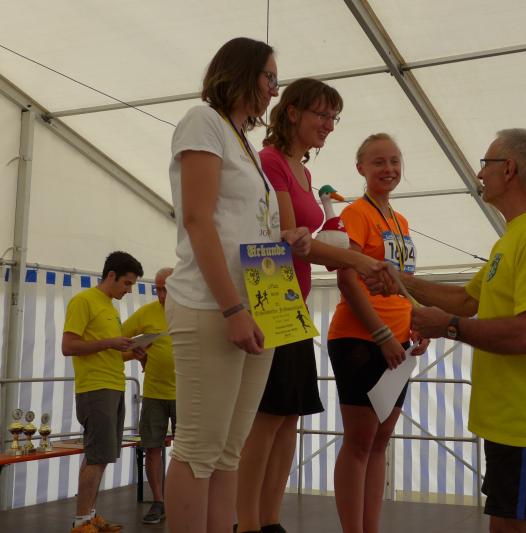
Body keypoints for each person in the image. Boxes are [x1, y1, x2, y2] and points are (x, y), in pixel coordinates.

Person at [379, 129, 526, 533]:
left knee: (524, 526)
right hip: (506, 419)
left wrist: (448, 327)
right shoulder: (515, 236)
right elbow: (467, 300)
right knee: (504, 525)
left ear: (509, 169)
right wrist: (400, 280)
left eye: (486, 164)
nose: (479, 174)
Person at [163, 37, 311, 533]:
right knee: (199, 449)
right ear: (242, 72)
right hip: (212, 306)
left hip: (256, 305)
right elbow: (198, 220)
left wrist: (282, 237)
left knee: (228, 451)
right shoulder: (203, 121)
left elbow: (237, 223)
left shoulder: (243, 141)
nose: (274, 89)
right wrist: (232, 310)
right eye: (270, 77)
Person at [236, 78, 390, 533]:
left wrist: (337, 248)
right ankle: (247, 522)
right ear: (292, 113)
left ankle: (270, 519)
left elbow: (305, 241)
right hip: (270, 300)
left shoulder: (301, 172)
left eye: (333, 117)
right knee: (267, 418)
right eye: (322, 115)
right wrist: (356, 258)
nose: (329, 125)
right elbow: (290, 240)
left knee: (289, 418)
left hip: (293, 305)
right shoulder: (271, 161)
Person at [326, 133, 429, 533]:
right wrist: (382, 333)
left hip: (399, 341)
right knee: (360, 441)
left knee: (381, 441)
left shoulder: (400, 221)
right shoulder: (355, 213)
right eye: (378, 162)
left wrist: (417, 320)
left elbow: (402, 282)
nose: (389, 169)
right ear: (361, 168)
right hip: (361, 337)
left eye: (394, 161)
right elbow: (347, 279)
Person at [62, 251, 144, 533]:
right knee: (97, 456)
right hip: (96, 388)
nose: (129, 290)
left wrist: (132, 352)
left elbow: (108, 352)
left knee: (102, 455)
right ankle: (81, 521)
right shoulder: (83, 301)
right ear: (111, 275)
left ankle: (89, 515)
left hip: (113, 385)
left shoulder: (109, 306)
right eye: (127, 283)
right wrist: (110, 342)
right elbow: (68, 346)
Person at [120, 267, 175, 524]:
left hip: (188, 394)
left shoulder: (192, 311)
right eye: (158, 289)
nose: (161, 295)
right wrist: (135, 354)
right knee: (152, 447)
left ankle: (183, 498)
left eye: (166, 289)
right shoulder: (147, 312)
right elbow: (116, 340)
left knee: (189, 451)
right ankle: (159, 502)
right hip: (154, 392)